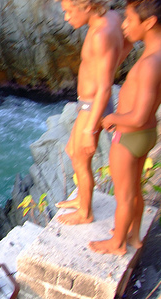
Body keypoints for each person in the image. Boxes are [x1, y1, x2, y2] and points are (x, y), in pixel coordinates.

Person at [89, 0, 161, 255]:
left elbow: (139, 116)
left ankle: (117, 243)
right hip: (145, 135)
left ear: (150, 22)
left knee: (125, 194)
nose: (125, 25)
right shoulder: (157, 53)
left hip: (131, 134)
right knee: (134, 191)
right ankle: (133, 235)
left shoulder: (151, 62)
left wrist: (112, 119)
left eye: (130, 20)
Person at [55, 0, 133, 225]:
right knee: (72, 150)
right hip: (88, 103)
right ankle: (82, 197)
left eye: (69, 11)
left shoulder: (100, 34)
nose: (66, 18)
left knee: (80, 158)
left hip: (94, 106)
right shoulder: (112, 17)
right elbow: (127, 44)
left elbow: (105, 87)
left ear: (87, 6)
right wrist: (112, 64)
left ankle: (85, 212)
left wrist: (90, 129)